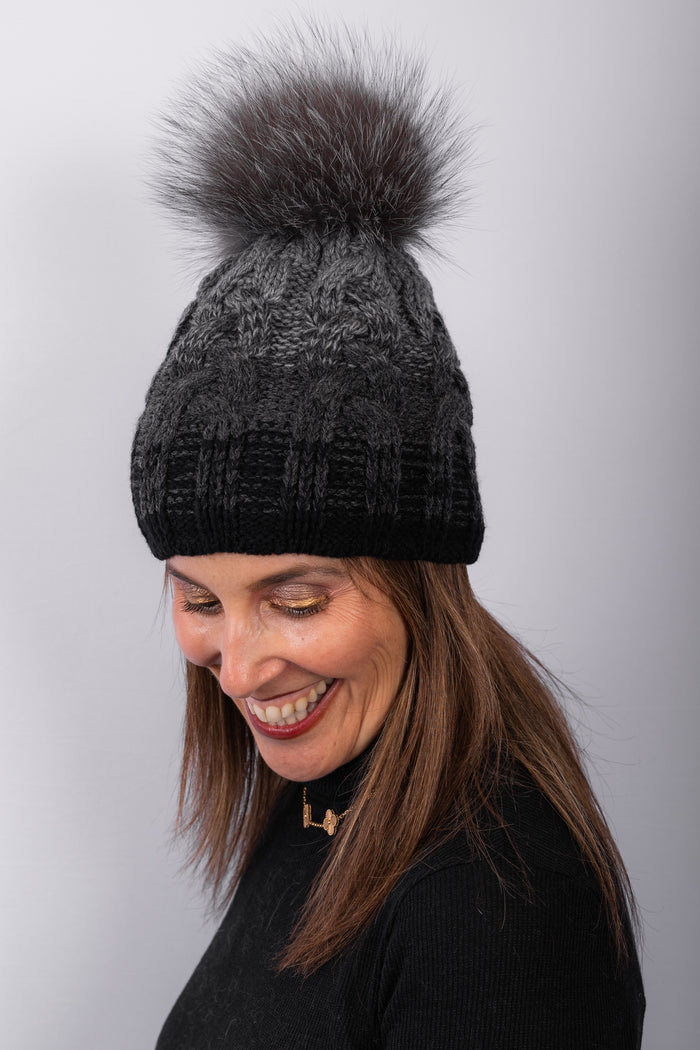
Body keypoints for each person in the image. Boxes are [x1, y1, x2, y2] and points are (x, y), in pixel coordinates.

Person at [131, 26, 645, 1049]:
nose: (239, 667)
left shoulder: (495, 907)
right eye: (199, 598)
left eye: (296, 600)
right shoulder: (331, 790)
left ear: (421, 580)